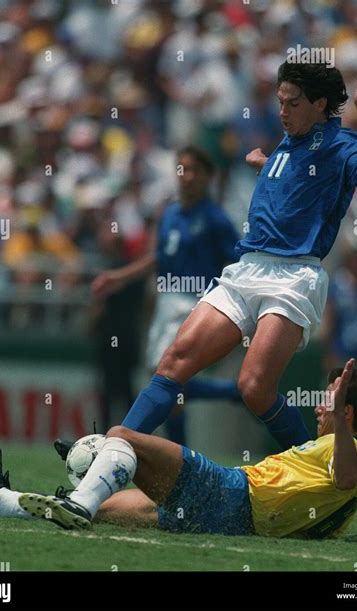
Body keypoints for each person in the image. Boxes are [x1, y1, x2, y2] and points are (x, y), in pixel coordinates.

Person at [113, 61, 357, 452]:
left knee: (255, 389)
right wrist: (265, 163)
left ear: (319, 103)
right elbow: (295, 179)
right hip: (247, 268)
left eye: (292, 103)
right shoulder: (288, 145)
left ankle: (316, 471)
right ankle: (111, 452)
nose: (283, 111)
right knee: (172, 363)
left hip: (294, 274)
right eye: (280, 102)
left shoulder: (341, 144)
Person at [0, 359, 357, 539]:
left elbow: (346, 475)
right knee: (104, 509)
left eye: (330, 399)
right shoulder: (345, 460)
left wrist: (342, 426)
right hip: (235, 522)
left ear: (347, 411)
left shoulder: (352, 456)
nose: (319, 405)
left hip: (231, 493)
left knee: (123, 434)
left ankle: (85, 490)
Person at [92, 146, 241, 444]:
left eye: (194, 170)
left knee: (166, 378)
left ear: (208, 176)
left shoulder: (216, 219)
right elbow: (157, 258)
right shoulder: (170, 213)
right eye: (181, 169)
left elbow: (237, 264)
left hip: (194, 302)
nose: (186, 177)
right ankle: (184, 450)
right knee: (167, 384)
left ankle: (127, 444)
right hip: (166, 300)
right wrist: (119, 277)